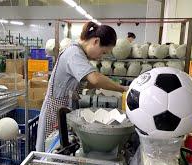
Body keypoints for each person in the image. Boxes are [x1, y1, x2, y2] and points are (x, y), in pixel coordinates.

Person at [36, 21, 128, 152]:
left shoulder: (80, 53)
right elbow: (95, 79)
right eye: (102, 52)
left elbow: (90, 83)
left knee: (61, 150)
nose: (100, 57)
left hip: (64, 109)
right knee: (51, 150)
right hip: (56, 111)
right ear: (96, 41)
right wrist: (122, 89)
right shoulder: (74, 53)